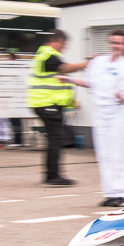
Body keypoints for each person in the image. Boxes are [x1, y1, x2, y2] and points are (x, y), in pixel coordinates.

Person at [75, 29, 124, 206]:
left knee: (119, 153)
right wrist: (69, 80)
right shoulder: (99, 62)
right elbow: (89, 82)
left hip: (118, 113)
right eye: (113, 43)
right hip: (100, 113)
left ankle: (121, 192)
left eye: (119, 43)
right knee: (104, 153)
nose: (115, 46)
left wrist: (122, 94)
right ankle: (110, 192)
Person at [27, 29, 89, 186]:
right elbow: (65, 68)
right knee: (56, 139)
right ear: (55, 41)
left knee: (55, 138)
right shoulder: (48, 55)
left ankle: (51, 174)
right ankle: (52, 176)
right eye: (63, 44)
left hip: (46, 103)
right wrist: (87, 64)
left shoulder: (45, 54)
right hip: (46, 103)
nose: (64, 47)